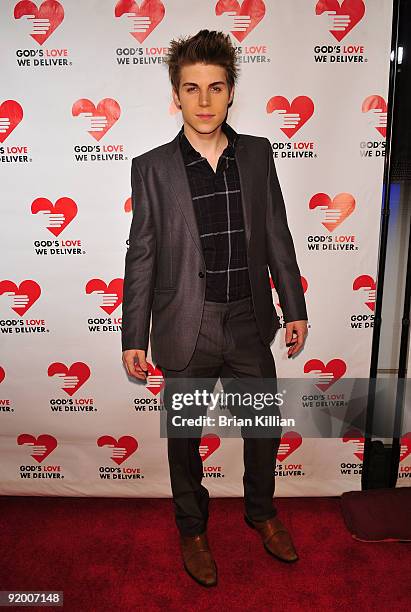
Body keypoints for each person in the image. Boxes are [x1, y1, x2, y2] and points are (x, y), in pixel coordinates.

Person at [122, 29, 308, 587]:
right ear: (175, 96)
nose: (204, 101)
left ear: (231, 94)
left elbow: (277, 232)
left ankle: (261, 513)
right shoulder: (152, 167)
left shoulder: (257, 154)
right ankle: (192, 528)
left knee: (263, 430)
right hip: (187, 326)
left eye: (216, 87)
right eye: (191, 89)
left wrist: (293, 306)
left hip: (249, 321)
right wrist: (134, 334)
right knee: (184, 441)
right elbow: (143, 254)